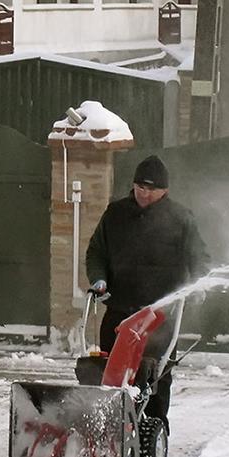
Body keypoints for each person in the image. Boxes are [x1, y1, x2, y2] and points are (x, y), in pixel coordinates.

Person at [85, 154, 210, 433]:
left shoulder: (180, 218)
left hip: (159, 317)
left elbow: (199, 258)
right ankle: (107, 430)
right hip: (119, 311)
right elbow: (96, 252)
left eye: (151, 189)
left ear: (164, 190)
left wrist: (198, 283)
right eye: (140, 187)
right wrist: (99, 279)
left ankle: (154, 430)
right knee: (106, 372)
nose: (144, 193)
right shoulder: (115, 214)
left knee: (154, 376)